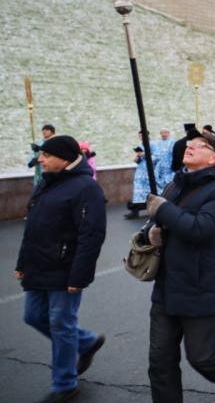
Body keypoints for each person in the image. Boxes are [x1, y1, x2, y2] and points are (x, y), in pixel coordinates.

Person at [143, 130, 215, 403]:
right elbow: (160, 222)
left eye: (197, 145)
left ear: (213, 158)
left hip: (199, 286)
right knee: (160, 361)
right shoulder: (175, 185)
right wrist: (150, 233)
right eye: (188, 144)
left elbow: (200, 228)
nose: (189, 147)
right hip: (166, 286)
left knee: (202, 356)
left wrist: (163, 210)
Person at [15, 135, 107, 403]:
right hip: (38, 266)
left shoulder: (85, 188)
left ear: (64, 159)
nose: (40, 160)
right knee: (33, 316)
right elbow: (31, 227)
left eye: (45, 155)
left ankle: (65, 383)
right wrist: (22, 263)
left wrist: (80, 276)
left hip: (65, 269)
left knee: (60, 324)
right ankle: (86, 342)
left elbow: (92, 235)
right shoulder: (46, 182)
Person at [125, 132, 159, 220]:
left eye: (142, 135)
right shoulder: (140, 145)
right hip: (140, 171)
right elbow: (139, 160)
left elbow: (157, 157)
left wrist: (145, 154)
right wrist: (137, 158)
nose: (141, 137)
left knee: (149, 191)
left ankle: (153, 210)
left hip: (149, 171)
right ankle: (135, 211)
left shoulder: (153, 144)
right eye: (140, 136)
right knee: (138, 192)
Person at [154, 129, 175, 194]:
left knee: (170, 183)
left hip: (170, 166)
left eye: (165, 133)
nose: (163, 134)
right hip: (159, 166)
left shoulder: (173, 142)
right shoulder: (158, 143)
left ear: (168, 133)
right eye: (162, 133)